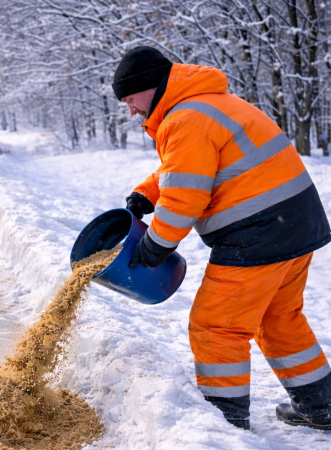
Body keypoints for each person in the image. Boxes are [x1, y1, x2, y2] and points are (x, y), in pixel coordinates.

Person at [116, 46, 331, 431]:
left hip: (260, 232)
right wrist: (149, 193)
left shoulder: (184, 120)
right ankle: (323, 406)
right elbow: (188, 167)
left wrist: (155, 246)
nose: (130, 110)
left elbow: (185, 194)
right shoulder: (205, 104)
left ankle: (224, 428)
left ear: (150, 86)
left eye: (131, 99)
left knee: (216, 326)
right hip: (296, 221)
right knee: (279, 317)